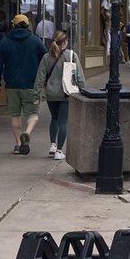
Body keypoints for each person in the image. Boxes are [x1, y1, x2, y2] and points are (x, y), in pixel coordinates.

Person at [0, 14, 47, 155]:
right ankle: (27, 132)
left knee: (15, 115)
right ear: (28, 25)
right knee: (33, 115)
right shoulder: (36, 41)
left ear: (13, 25)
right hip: (31, 85)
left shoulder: (5, 42)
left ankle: (17, 144)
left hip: (12, 85)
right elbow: (45, 61)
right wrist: (44, 80)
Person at [34, 30, 85, 161]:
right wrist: (84, 90)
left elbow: (40, 78)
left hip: (51, 93)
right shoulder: (72, 56)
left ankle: (52, 144)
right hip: (66, 93)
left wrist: (36, 94)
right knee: (63, 121)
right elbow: (79, 77)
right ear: (65, 42)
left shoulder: (46, 57)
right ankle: (59, 151)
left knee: (54, 118)